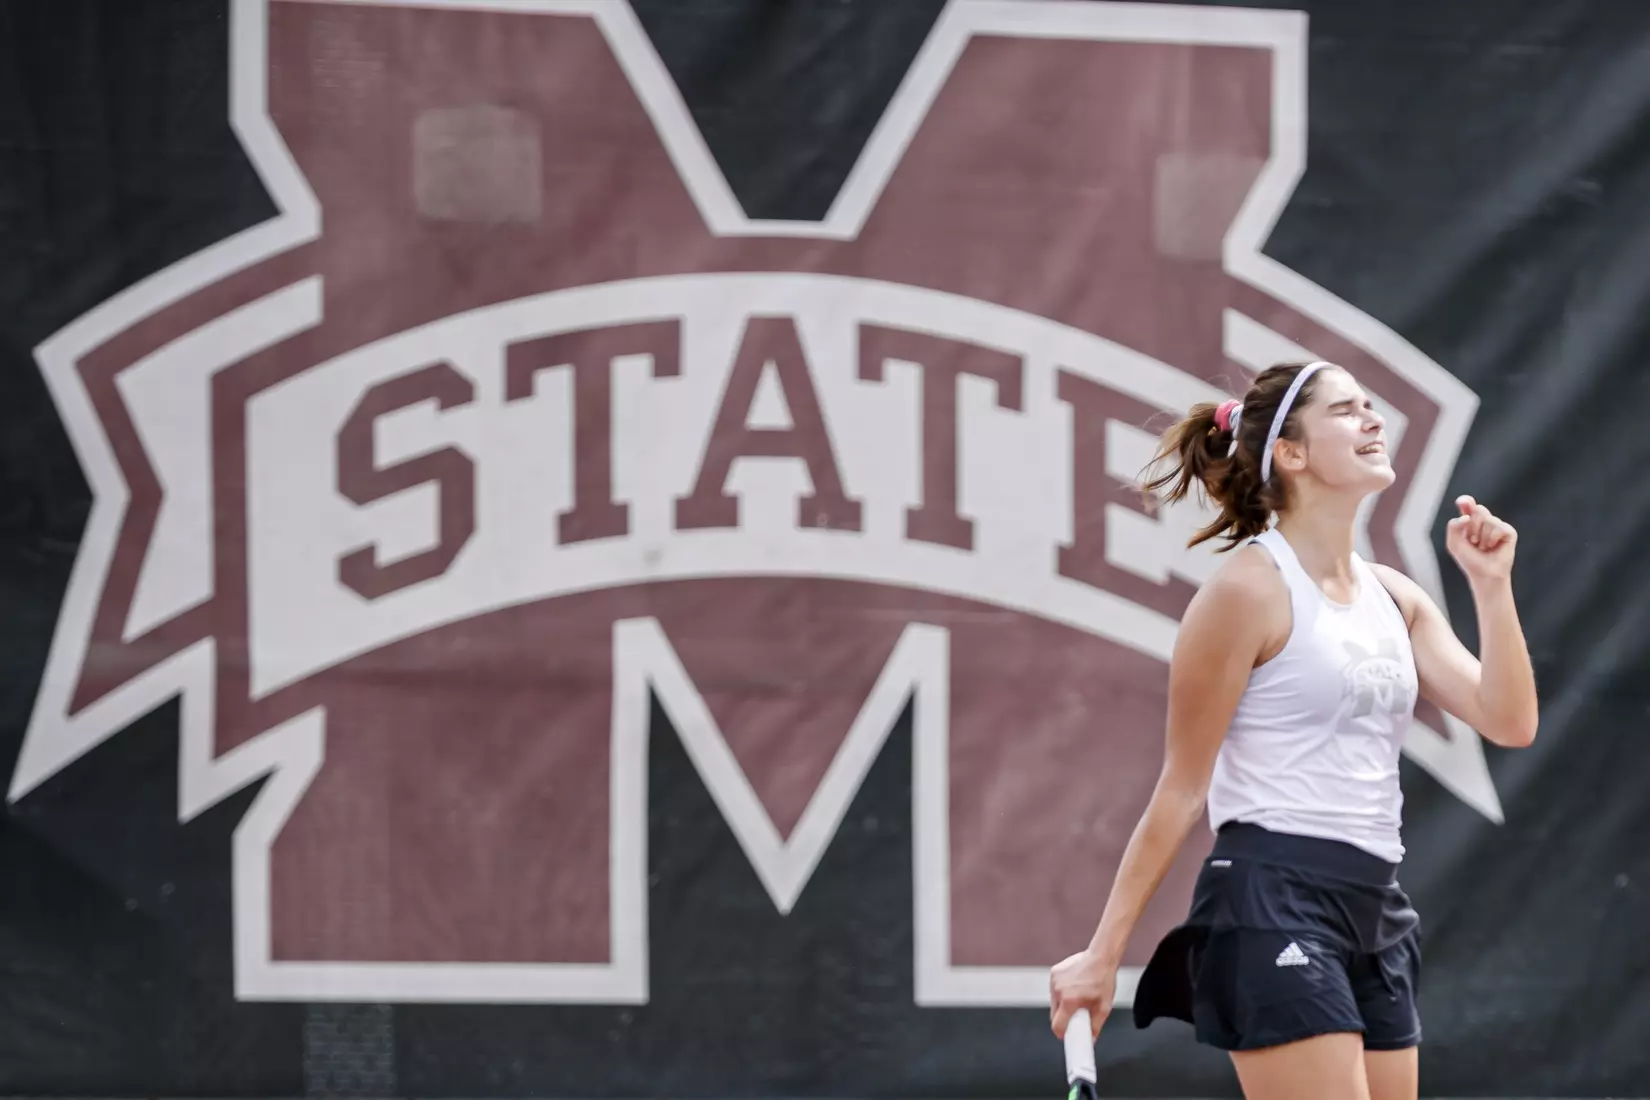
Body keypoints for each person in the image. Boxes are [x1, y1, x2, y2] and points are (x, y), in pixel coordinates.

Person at [1047, 360, 1539, 1100]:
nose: (1372, 420)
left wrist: (1491, 587)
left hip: (1377, 904)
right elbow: (1181, 791)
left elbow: (1509, 720)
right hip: (1270, 898)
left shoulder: (1394, 597)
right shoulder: (1245, 593)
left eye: (1371, 407)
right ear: (1292, 452)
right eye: (1347, 411)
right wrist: (1103, 953)